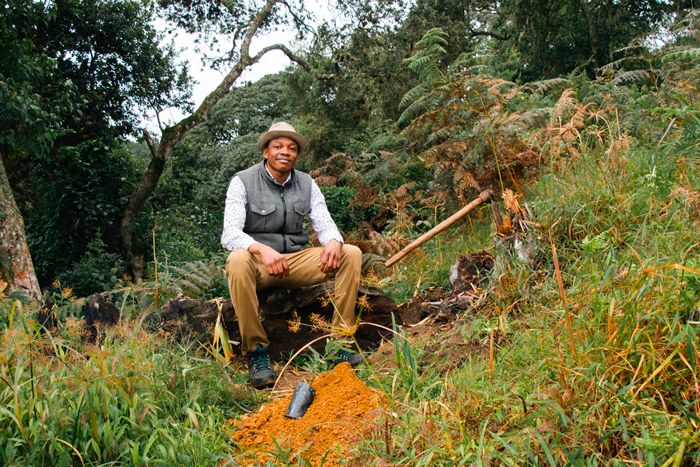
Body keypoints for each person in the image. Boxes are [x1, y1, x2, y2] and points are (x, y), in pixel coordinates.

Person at [222, 122, 364, 389]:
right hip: (259, 264)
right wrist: (262, 250)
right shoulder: (242, 181)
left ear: (297, 154)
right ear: (266, 151)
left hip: (295, 262)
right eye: (278, 147)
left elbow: (324, 223)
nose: (285, 152)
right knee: (237, 259)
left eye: (291, 148)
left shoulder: (307, 183)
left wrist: (333, 241)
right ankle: (257, 352)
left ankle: (339, 344)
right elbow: (229, 234)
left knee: (351, 253)